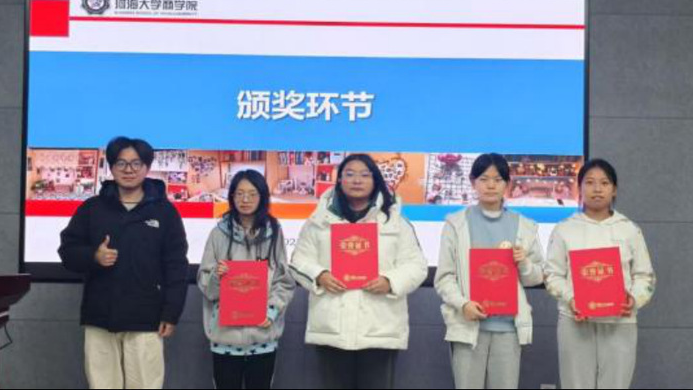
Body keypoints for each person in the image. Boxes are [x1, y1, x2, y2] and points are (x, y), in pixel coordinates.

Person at [59, 137, 189, 389]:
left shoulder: (165, 212)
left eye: (136, 163)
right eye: (121, 163)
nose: (128, 170)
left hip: (146, 318)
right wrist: (93, 256)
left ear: (147, 167)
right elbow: (67, 252)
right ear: (111, 167)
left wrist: (171, 312)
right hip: (100, 315)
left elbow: (176, 265)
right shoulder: (92, 209)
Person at [290, 153, 428, 389]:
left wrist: (390, 281)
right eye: (350, 174)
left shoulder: (395, 221)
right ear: (339, 180)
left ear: (375, 180)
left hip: (379, 329)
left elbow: (417, 266)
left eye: (365, 175)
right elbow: (298, 261)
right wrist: (319, 275)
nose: (357, 180)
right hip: (331, 329)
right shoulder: (318, 221)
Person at [435, 153, 544, 389]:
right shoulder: (456, 224)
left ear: (507, 184)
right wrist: (463, 304)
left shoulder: (524, 226)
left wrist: (524, 263)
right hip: (468, 327)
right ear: (473, 182)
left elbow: (536, 277)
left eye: (497, 179)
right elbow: (444, 278)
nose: (491, 185)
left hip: (509, 328)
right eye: (484, 179)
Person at [545, 158, 655, 389]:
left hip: (620, 322)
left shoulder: (629, 229)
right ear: (579, 188)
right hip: (575, 322)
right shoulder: (565, 229)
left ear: (614, 190)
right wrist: (571, 299)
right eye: (589, 182)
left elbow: (645, 276)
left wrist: (634, 299)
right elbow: (552, 275)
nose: (597, 189)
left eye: (604, 183)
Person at [198, 170, 295, 389]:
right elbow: (205, 283)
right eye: (239, 193)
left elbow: (284, 280)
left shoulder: (274, 232)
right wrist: (216, 276)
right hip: (225, 338)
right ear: (231, 197)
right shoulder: (218, 234)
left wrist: (271, 312)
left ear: (262, 197)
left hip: (262, 337)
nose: (245, 199)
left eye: (252, 194)